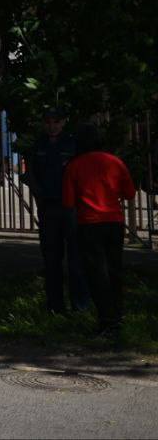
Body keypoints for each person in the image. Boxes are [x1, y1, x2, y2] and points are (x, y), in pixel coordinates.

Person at [62, 124, 137, 340]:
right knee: (115, 269)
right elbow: (130, 193)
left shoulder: (74, 165)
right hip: (114, 222)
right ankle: (118, 314)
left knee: (96, 273)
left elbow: (68, 202)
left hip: (89, 223)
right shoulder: (115, 162)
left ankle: (106, 320)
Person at [22, 108, 90, 314]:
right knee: (51, 258)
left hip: (71, 207)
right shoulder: (39, 144)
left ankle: (80, 306)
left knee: (76, 259)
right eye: (48, 122)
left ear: (63, 122)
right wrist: (38, 196)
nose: (52, 126)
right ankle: (54, 306)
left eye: (56, 122)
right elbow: (31, 173)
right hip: (49, 206)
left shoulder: (72, 143)